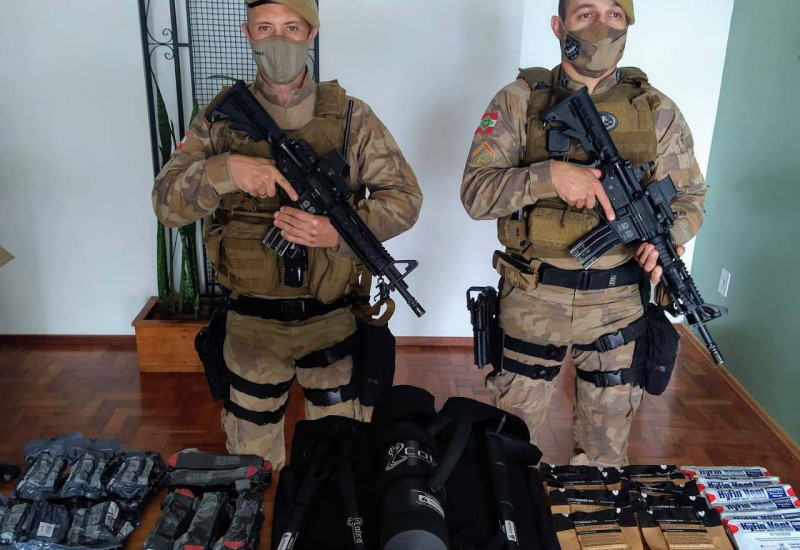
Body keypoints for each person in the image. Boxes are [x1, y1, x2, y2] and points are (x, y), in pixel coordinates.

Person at [153, 0, 422, 469]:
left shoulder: (352, 117)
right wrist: (225, 170)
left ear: (311, 34)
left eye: (291, 28)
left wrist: (336, 231)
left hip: (332, 322)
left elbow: (405, 199)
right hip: (251, 327)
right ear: (248, 33)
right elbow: (165, 204)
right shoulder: (219, 120)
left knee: (340, 462)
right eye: (265, 28)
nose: (278, 40)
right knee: (250, 465)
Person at [460, 0, 706, 466]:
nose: (601, 26)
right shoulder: (519, 100)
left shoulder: (656, 110)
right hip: (534, 296)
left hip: (619, 306)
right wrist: (548, 176)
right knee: (508, 448)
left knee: (604, 456)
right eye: (585, 13)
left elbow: (690, 195)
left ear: (627, 25)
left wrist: (668, 235)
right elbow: (476, 195)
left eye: (614, 14)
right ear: (559, 26)